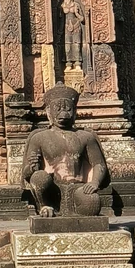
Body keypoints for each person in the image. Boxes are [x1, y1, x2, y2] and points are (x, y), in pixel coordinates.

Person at [21, 83, 107, 218]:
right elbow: (27, 174)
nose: (64, 114)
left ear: (74, 111)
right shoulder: (39, 137)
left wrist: (94, 182)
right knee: (39, 177)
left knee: (92, 203)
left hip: (78, 187)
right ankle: (45, 206)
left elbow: (99, 164)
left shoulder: (85, 137)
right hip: (51, 189)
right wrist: (31, 167)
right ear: (49, 111)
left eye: (68, 109)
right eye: (58, 109)